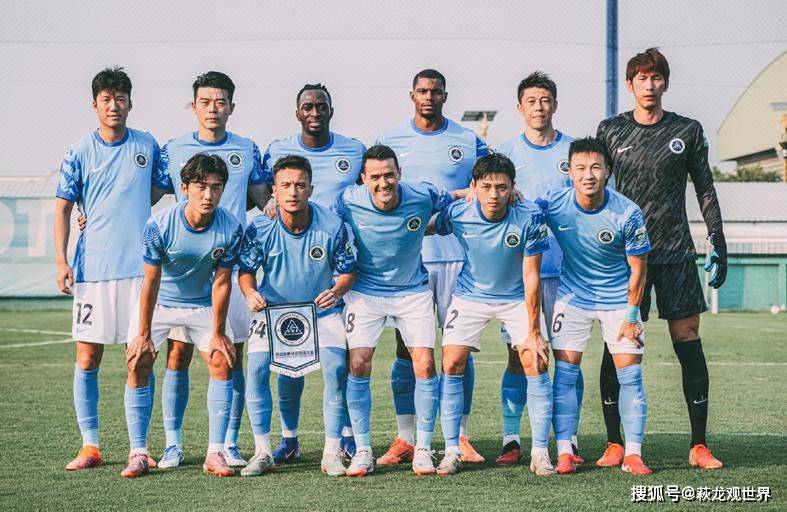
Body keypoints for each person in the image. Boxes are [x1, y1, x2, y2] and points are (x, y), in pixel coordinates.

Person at [596, 48, 726, 470]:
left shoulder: (687, 130)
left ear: (665, 82)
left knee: (687, 339)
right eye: (641, 78)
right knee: (618, 343)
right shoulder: (611, 130)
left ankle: (699, 444)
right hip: (625, 257)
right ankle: (614, 443)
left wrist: (717, 239)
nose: (649, 85)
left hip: (675, 252)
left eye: (656, 78)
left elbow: (705, 186)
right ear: (630, 84)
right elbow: (594, 187)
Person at [54, 66, 170, 471]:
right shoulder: (78, 151)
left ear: (130, 103)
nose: (113, 105)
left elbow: (156, 190)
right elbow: (63, 208)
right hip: (93, 270)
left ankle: (139, 448)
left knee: (139, 358)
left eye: (120, 98)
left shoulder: (147, 144)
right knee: (88, 357)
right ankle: (90, 446)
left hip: (140, 272)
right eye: (106, 99)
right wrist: (61, 259)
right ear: (94, 105)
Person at [155, 71, 271, 469]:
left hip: (230, 270)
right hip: (184, 272)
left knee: (230, 354)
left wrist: (275, 207)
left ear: (231, 107)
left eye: (220, 102)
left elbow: (262, 198)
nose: (213, 109)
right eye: (205, 102)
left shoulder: (247, 149)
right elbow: (146, 195)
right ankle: (172, 444)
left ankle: (228, 443)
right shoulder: (173, 149)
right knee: (177, 355)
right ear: (193, 106)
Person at [373, 69, 488, 465]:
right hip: (407, 260)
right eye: (422, 91)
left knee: (459, 350)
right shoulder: (390, 140)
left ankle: (461, 436)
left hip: (458, 255)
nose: (428, 97)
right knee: (406, 349)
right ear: (412, 95)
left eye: (435, 91)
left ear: (444, 96)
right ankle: (405, 438)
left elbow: (490, 181)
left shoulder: (468, 140)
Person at [333, 144, 467, 476]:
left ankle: (423, 450)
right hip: (365, 292)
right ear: (364, 179)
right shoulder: (348, 200)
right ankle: (363, 450)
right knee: (358, 364)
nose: (383, 183)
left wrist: (478, 191)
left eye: (389, 175)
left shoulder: (422, 195)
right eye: (375, 177)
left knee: (425, 364)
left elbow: (455, 196)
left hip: (412, 291)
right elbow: (321, 220)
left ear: (399, 174)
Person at [259, 83, 366, 463]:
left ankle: (346, 435)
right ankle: (289, 439)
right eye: (308, 106)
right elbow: (260, 192)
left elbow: (369, 191)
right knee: (289, 368)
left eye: (321, 106)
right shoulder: (276, 151)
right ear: (297, 113)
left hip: (338, 262)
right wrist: (269, 205)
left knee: (344, 361)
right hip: (292, 265)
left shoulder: (355, 150)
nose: (315, 112)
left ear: (331, 110)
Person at [121, 153, 243, 478]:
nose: (208, 194)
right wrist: (144, 334)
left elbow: (221, 282)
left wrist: (218, 332)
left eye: (216, 187)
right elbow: (150, 282)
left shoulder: (232, 227)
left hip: (201, 304)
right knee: (138, 361)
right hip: (161, 302)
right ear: (185, 187)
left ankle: (215, 452)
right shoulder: (159, 225)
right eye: (201, 186)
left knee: (222, 360)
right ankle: (138, 453)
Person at [432, 153, 554, 476]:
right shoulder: (458, 213)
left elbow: (532, 274)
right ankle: (452, 451)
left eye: (502, 187)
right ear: (474, 186)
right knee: (451, 362)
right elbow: (427, 227)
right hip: (470, 296)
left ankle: (540, 452)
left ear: (513, 187)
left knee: (535, 360)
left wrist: (534, 332)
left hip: (515, 297)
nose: (494, 195)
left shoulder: (530, 216)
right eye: (486, 187)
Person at [538, 137, 652, 476]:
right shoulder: (553, 203)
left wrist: (632, 316)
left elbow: (639, 269)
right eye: (580, 168)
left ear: (607, 172)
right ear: (570, 172)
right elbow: (520, 209)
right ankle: (564, 452)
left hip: (618, 301)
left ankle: (633, 454)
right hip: (573, 297)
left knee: (630, 376)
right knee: (565, 375)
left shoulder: (628, 212)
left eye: (595, 168)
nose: (588, 175)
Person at [237, 154, 357, 477]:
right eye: (286, 185)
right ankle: (264, 451)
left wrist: (338, 290)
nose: (293, 192)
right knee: (257, 369)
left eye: (300, 185)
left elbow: (348, 271)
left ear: (311, 189)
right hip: (274, 312)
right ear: (274, 190)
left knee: (336, 368)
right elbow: (245, 270)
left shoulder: (332, 226)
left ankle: (331, 452)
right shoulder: (261, 227)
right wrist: (250, 292)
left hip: (321, 311)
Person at [494, 71, 584, 466]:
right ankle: (511, 439)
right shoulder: (504, 154)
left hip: (567, 273)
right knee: (519, 356)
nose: (539, 107)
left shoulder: (574, 153)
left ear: (555, 105)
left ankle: (569, 439)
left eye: (545, 100)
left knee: (568, 358)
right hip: (518, 275)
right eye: (531, 101)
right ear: (519, 107)